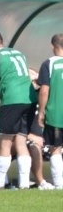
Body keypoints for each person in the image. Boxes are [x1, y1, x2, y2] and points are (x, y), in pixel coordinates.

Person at [0, 29, 34, 189]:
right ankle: (24, 184)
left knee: (5, 142)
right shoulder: (19, 53)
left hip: (12, 100)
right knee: (21, 141)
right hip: (30, 99)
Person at [36, 33, 63, 189]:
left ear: (53, 46)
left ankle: (59, 185)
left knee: (55, 149)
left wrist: (41, 112)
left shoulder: (49, 64)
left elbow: (44, 91)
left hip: (56, 115)